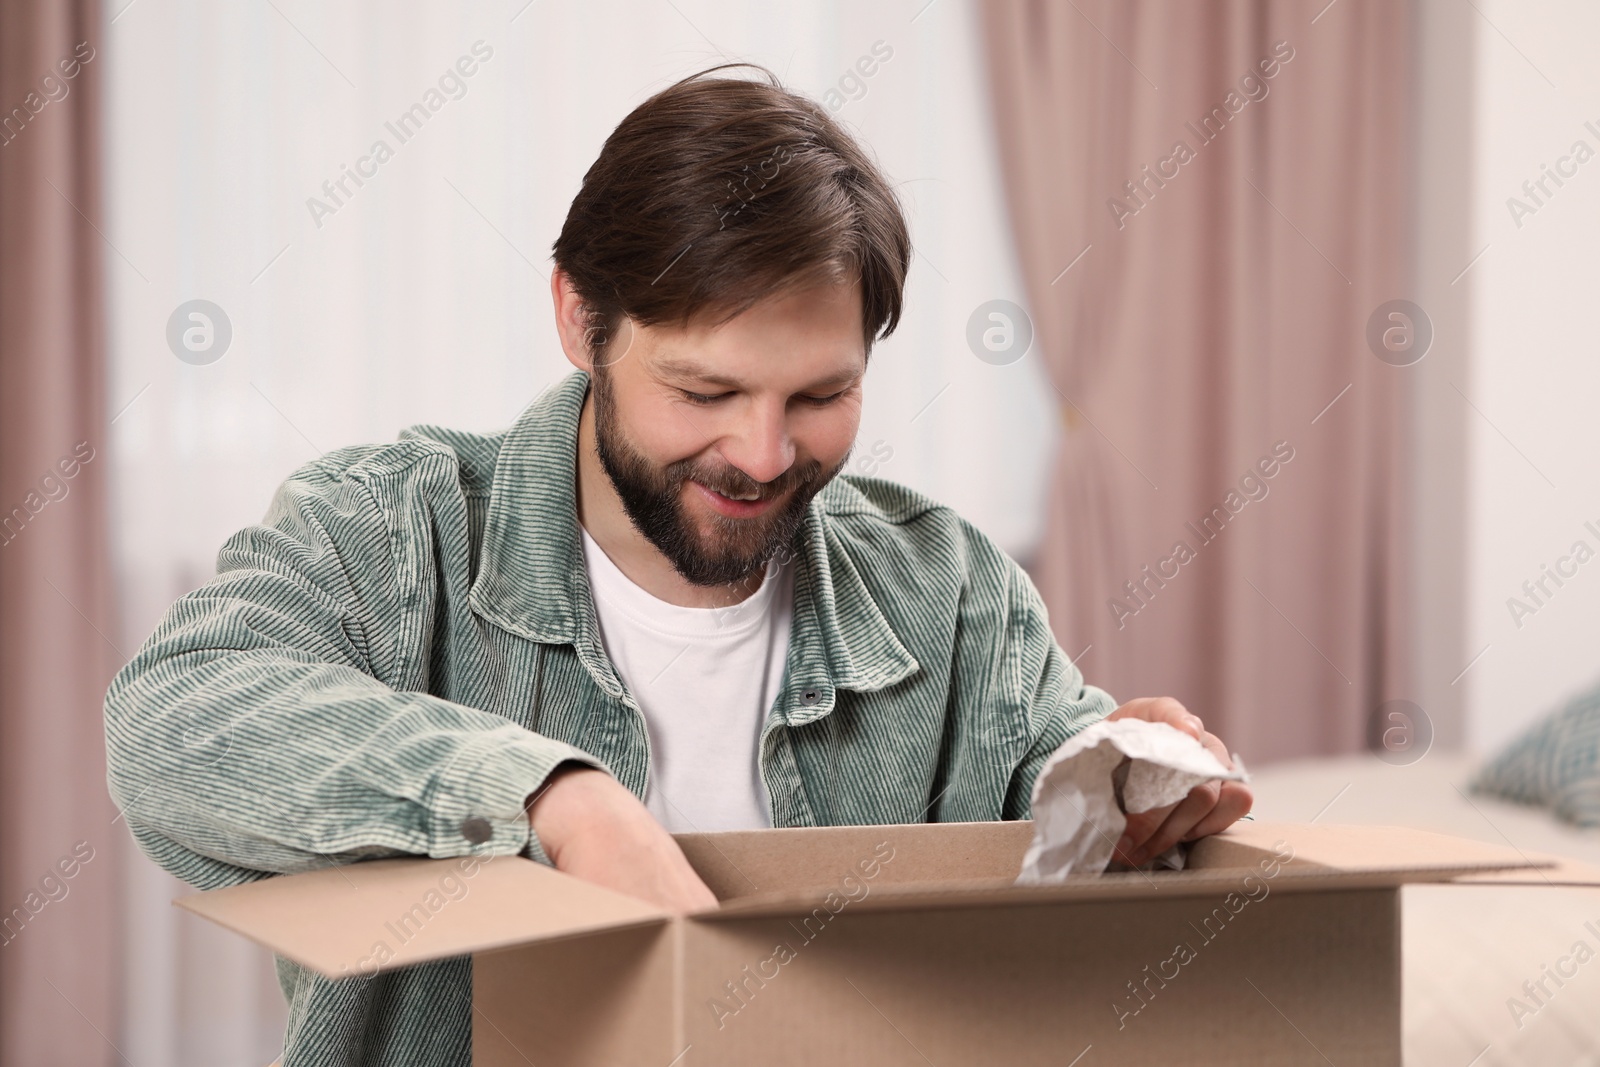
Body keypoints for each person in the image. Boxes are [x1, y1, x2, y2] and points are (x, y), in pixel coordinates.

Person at [104, 65, 1250, 1066]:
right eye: (704, 392)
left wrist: (1131, 775)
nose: (761, 455)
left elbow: (1055, 796)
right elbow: (173, 718)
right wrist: (554, 798)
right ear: (578, 319)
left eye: (821, 395)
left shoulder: (945, 586)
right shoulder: (392, 532)